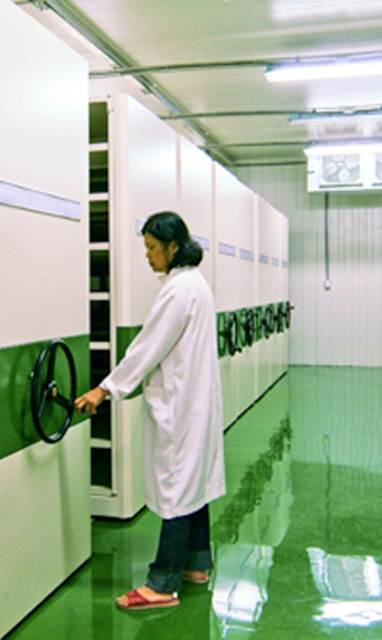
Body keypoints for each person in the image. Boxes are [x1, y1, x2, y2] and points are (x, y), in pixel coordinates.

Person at [75, 211, 225, 610]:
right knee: (195, 483)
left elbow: (147, 347)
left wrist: (104, 389)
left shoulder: (179, 291)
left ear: (173, 247)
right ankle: (196, 564)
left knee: (177, 488)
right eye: (146, 248)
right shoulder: (195, 284)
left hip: (181, 407)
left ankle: (162, 583)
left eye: (152, 248)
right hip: (195, 405)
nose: (148, 256)